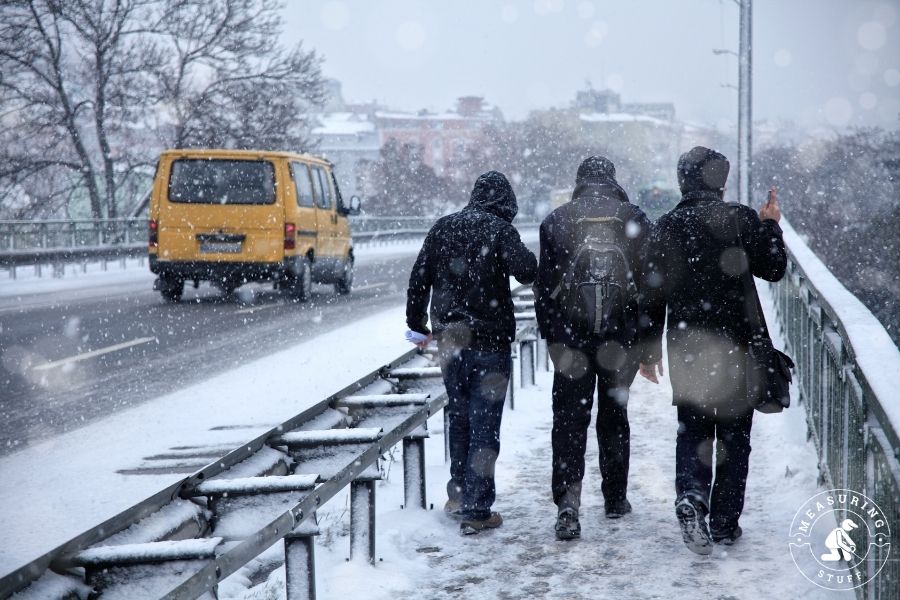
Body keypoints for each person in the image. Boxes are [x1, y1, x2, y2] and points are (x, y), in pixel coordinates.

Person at [639, 146, 786, 555]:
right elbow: (773, 268)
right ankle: (724, 523)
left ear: (682, 180)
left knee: (694, 427)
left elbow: (651, 292)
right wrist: (770, 225)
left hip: (687, 344)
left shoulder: (666, 225)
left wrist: (648, 351)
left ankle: (691, 496)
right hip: (738, 343)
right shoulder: (739, 218)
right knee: (735, 435)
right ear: (720, 181)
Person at [406, 170, 537, 535]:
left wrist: (416, 324)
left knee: (459, 417)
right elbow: (527, 271)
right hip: (489, 341)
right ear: (505, 203)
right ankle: (477, 510)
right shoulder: (499, 230)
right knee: (485, 424)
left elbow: (419, 278)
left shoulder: (443, 227)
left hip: (450, 341)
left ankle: (459, 494)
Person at [534, 156, 652, 540]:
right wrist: (644, 342)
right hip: (621, 342)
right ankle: (615, 498)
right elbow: (651, 286)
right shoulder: (633, 217)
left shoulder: (556, 220)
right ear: (613, 180)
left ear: (580, 180)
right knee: (614, 418)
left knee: (569, 422)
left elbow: (544, 291)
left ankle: (568, 505)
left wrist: (554, 338)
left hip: (571, 342)